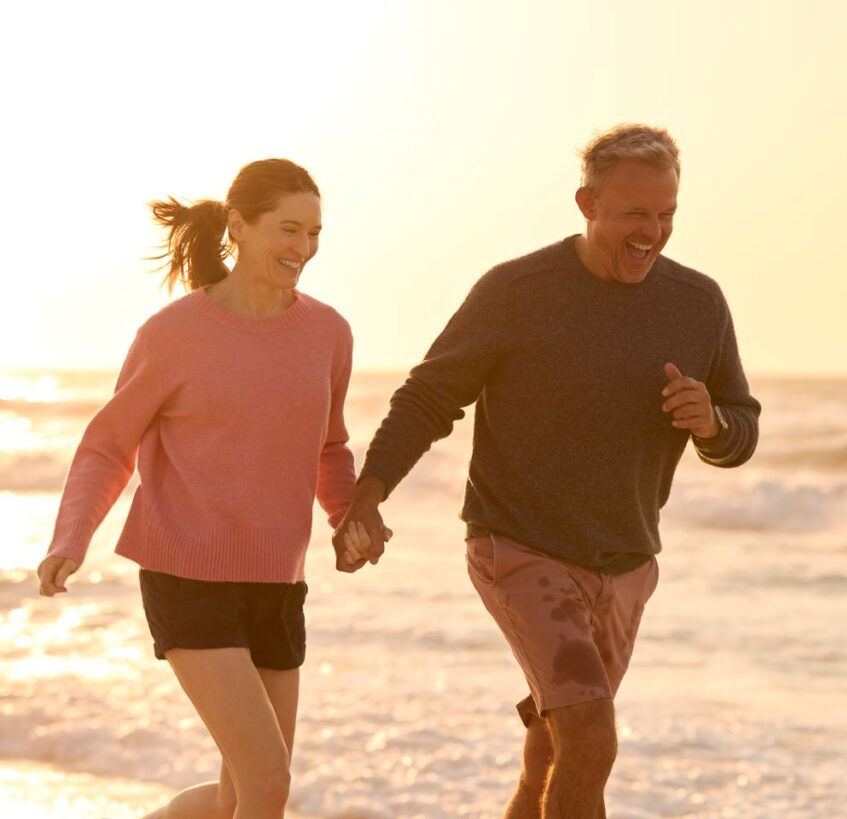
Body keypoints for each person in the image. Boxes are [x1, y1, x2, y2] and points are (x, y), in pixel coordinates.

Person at [334, 124, 761, 818]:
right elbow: (432, 395)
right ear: (586, 204)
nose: (652, 231)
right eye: (635, 213)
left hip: (625, 560)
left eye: (666, 214)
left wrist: (711, 423)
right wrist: (370, 493)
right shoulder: (518, 290)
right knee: (591, 739)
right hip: (519, 546)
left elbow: (741, 426)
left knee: (554, 746)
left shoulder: (698, 302)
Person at [37, 159, 369, 819]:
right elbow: (108, 445)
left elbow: (329, 446)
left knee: (236, 796)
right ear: (238, 227)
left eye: (314, 233)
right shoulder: (172, 336)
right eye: (289, 229)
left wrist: (347, 519)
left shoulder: (328, 333)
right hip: (186, 572)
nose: (303, 249)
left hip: (279, 578)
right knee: (267, 783)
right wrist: (70, 537)